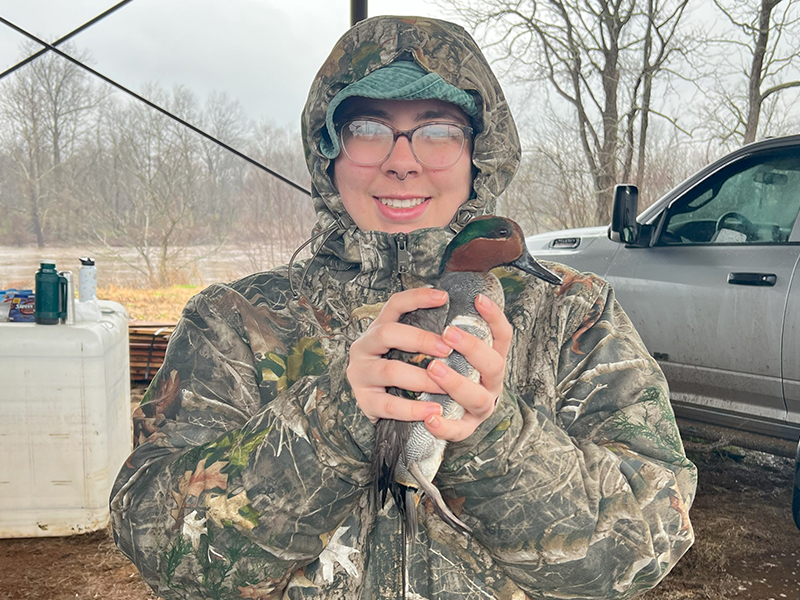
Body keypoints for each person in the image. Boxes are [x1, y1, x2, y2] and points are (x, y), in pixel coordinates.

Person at [110, 15, 696, 600]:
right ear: (328, 152)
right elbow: (157, 544)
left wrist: (494, 439)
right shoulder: (233, 320)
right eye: (368, 129)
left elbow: (646, 544)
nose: (402, 161)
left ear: (480, 154)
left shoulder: (570, 314)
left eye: (437, 130)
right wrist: (333, 423)